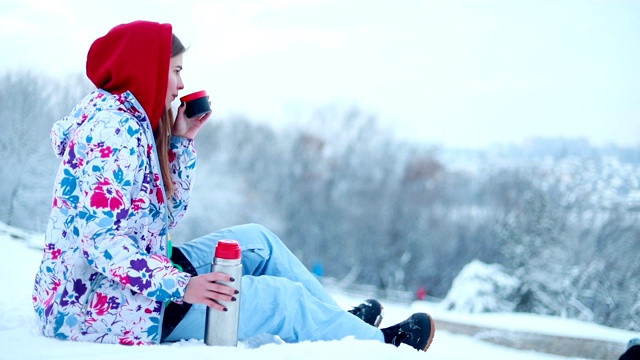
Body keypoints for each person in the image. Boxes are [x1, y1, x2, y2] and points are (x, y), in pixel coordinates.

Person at [31, 20, 436, 351]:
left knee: (257, 241)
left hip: (136, 280)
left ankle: (341, 325)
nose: (179, 84)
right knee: (279, 299)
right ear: (147, 68)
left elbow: (167, 215)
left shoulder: (134, 122)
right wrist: (183, 286)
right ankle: (380, 345)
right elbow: (100, 240)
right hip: (95, 306)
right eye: (175, 71)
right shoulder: (112, 132)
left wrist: (179, 143)